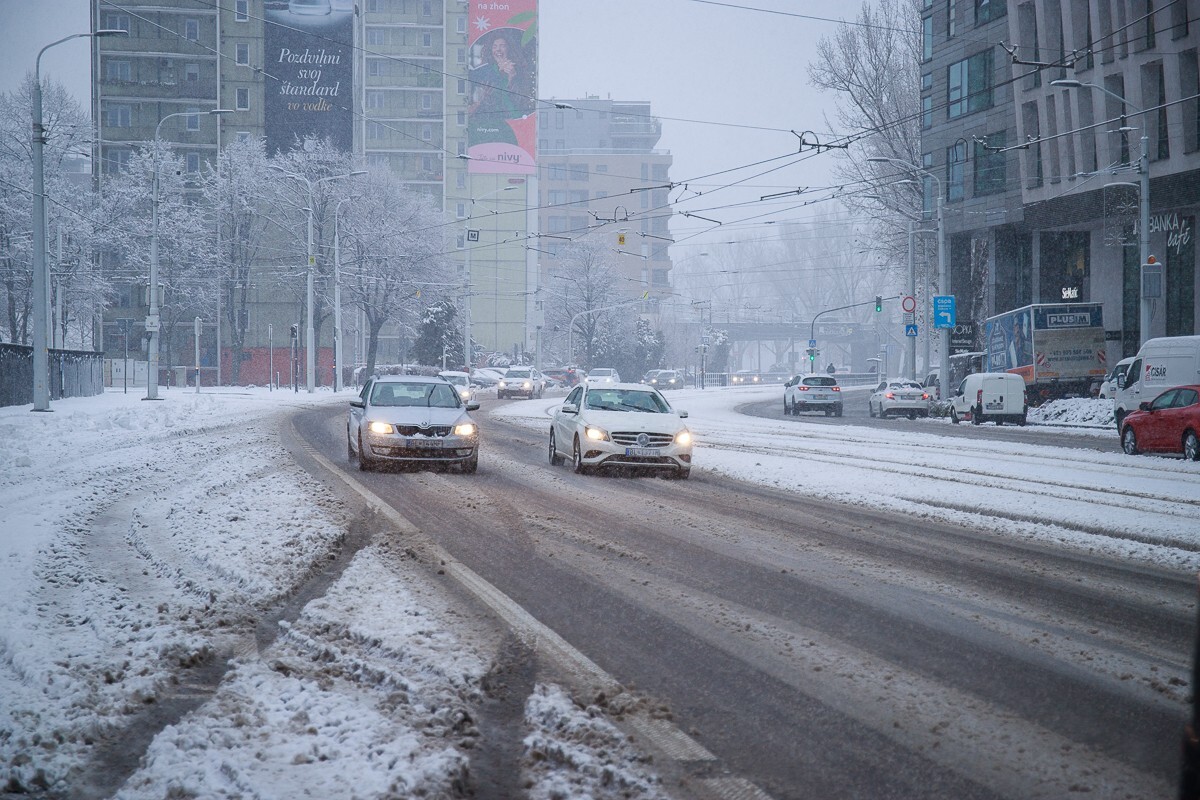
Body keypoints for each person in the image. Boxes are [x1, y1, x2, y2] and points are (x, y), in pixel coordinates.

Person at [467, 31, 534, 145]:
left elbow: (524, 99)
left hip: (514, 121)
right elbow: (476, 97)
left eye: (502, 46)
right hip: (490, 123)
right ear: (490, 50)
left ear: (509, 49)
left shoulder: (519, 71)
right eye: (495, 46)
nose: (498, 50)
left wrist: (511, 78)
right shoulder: (484, 71)